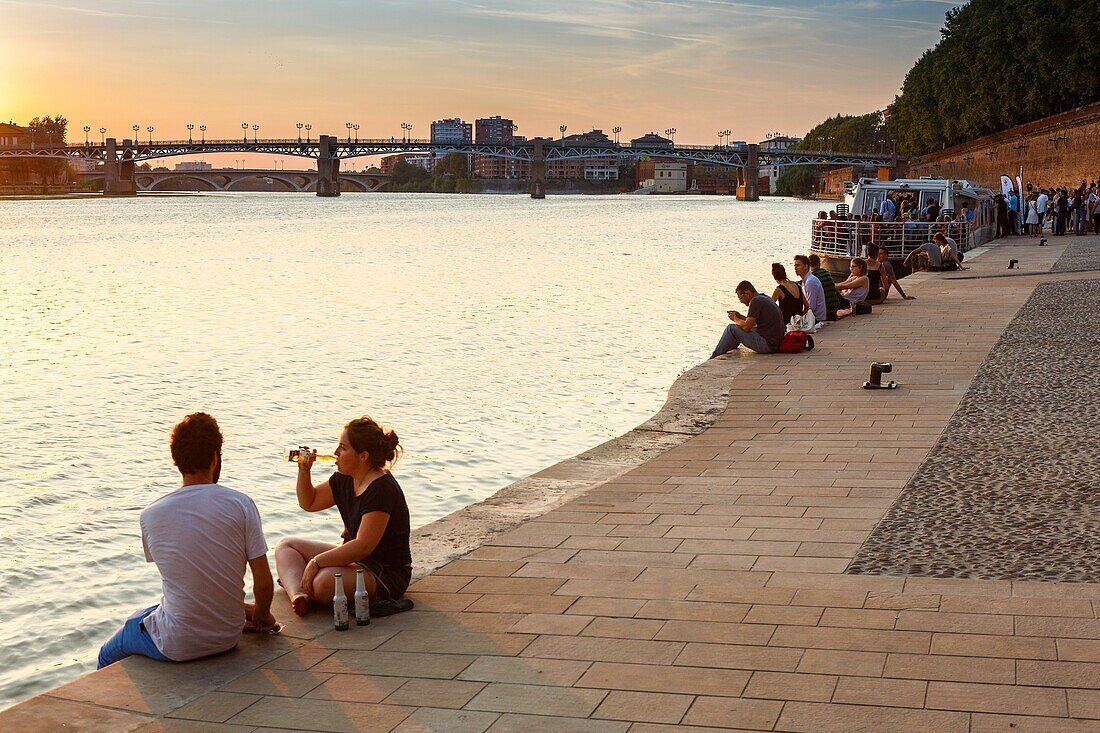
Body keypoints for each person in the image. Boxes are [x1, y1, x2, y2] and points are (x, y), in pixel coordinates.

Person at [98, 413, 275, 669]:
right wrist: (262, 615)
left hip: (177, 644)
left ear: (175, 460)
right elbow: (263, 580)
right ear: (215, 457)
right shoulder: (241, 504)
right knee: (147, 614)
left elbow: (189, 580)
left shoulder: (151, 515)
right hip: (227, 636)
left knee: (109, 650)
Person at [276, 416, 412, 616]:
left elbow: (363, 546)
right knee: (286, 546)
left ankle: (305, 587)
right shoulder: (344, 480)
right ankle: (299, 595)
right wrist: (304, 471)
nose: (335, 453)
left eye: (343, 448)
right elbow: (309, 502)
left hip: (384, 571)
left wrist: (315, 562)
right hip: (357, 562)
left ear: (363, 456)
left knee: (324, 581)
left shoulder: (382, 488)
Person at [710, 280, 784, 358]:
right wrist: (740, 316)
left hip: (768, 345)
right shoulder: (764, 298)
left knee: (731, 328)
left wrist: (735, 319)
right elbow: (753, 323)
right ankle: (723, 352)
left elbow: (746, 327)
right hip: (775, 343)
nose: (741, 302)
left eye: (741, 298)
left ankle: (714, 356)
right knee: (736, 330)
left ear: (748, 293)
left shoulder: (755, 301)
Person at [809, 254, 843, 321]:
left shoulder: (812, 278)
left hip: (825, 311)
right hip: (834, 308)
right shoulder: (825, 272)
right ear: (819, 263)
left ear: (808, 265)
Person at [793, 254, 826, 324]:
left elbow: (811, 307)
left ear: (806, 266)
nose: (795, 268)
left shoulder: (810, 282)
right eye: (794, 266)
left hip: (815, 319)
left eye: (798, 265)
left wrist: (800, 318)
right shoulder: (806, 280)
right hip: (813, 317)